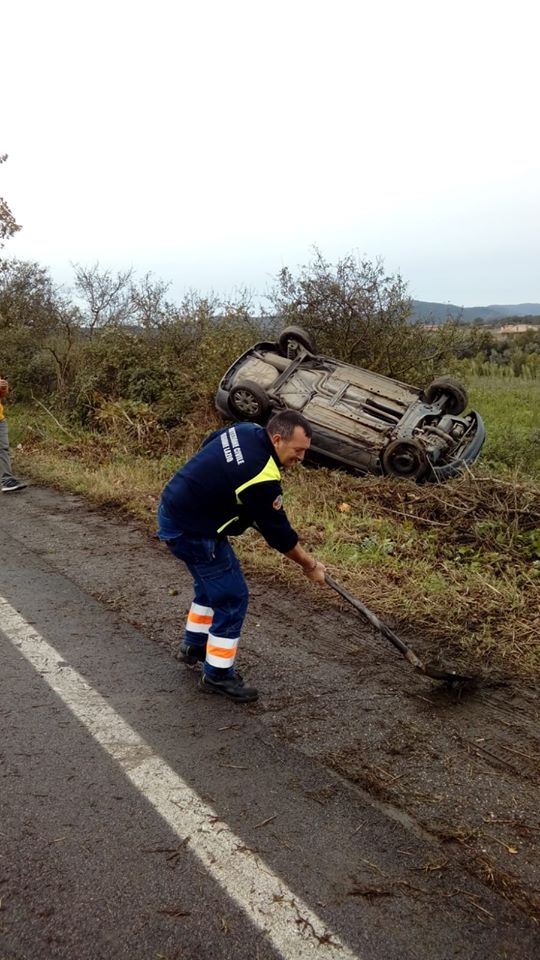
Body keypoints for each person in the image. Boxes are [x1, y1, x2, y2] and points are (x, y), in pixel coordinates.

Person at [157, 410, 326, 703]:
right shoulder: (261, 474)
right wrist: (309, 565)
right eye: (298, 451)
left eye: (305, 451)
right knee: (232, 597)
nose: (301, 458)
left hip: (173, 512)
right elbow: (279, 534)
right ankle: (218, 675)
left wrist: (222, 490)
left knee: (211, 588)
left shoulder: (246, 430)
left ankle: (195, 646)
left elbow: (211, 442)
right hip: (194, 531)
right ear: (277, 439)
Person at [0, 377, 26, 493]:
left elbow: (2, 391)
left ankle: (7, 480)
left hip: (0, 420)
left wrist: (3, 388)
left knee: (3, 449)